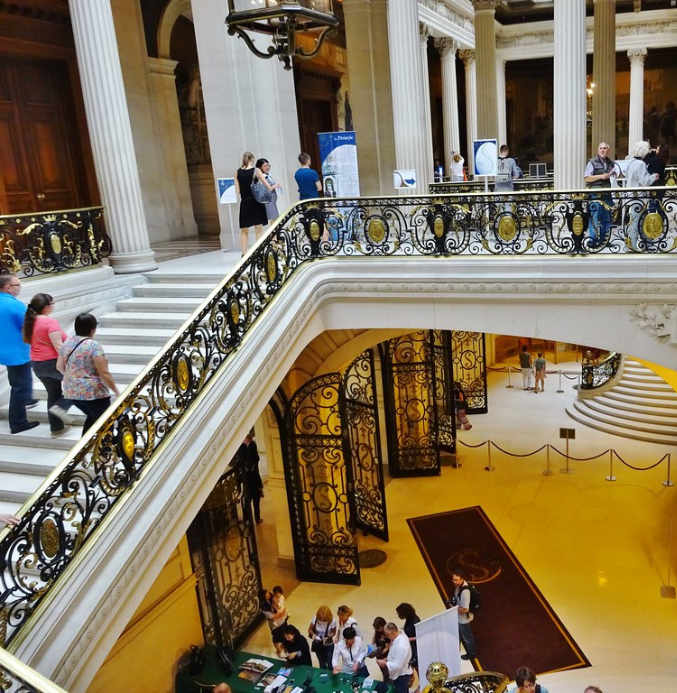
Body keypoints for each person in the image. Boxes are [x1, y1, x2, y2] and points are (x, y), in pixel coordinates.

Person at [56, 313, 119, 435]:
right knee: (105, 424)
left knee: (92, 418)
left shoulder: (68, 342)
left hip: (71, 391)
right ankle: (106, 447)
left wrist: (74, 378)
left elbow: (59, 367)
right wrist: (116, 391)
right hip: (93, 393)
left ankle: (84, 445)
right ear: (93, 328)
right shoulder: (93, 345)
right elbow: (104, 372)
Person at [23, 293, 76, 438]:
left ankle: (57, 428)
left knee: (53, 394)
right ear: (46, 307)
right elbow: (59, 346)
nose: (53, 306)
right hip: (52, 363)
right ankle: (62, 407)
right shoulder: (49, 323)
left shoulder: (30, 321)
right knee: (79, 386)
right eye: (52, 304)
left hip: (37, 365)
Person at [0, 274, 39, 434]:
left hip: (5, 351)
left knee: (17, 381)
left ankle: (27, 398)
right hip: (18, 352)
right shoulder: (15, 305)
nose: (20, 288)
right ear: (8, 288)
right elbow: (30, 326)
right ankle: (18, 423)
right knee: (20, 387)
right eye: (17, 285)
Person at [623, 141, 659, 249]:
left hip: (631, 196)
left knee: (634, 220)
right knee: (637, 221)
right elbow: (644, 181)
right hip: (639, 197)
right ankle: (633, 246)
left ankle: (637, 244)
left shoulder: (631, 162)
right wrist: (653, 177)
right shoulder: (640, 164)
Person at [585, 142, 618, 247]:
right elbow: (587, 178)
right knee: (594, 216)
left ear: (608, 150)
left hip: (607, 193)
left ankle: (605, 240)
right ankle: (593, 240)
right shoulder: (592, 162)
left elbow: (618, 174)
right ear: (598, 150)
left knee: (607, 217)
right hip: (595, 194)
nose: (602, 150)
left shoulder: (611, 163)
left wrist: (614, 174)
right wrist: (600, 176)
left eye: (604, 148)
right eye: (601, 148)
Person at [235, 151, 268, 256]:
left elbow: (237, 191)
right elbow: (266, 184)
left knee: (244, 230)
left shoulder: (238, 172)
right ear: (251, 159)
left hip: (245, 202)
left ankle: (244, 253)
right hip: (256, 202)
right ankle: (258, 252)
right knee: (258, 229)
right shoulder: (256, 170)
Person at [376, 622, 412, 693]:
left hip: (401, 675)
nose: (387, 637)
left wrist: (385, 663)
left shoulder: (401, 646)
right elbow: (394, 653)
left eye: (388, 635)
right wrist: (387, 659)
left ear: (393, 633)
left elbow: (398, 665)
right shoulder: (399, 633)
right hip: (400, 673)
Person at [451, 567, 477, 660]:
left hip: (463, 618)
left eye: (456, 580)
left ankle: (472, 653)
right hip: (459, 616)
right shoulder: (460, 586)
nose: (454, 581)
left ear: (462, 579)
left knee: (467, 636)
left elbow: (465, 609)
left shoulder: (465, 592)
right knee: (458, 631)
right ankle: (456, 645)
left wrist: (454, 610)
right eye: (453, 579)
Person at [239, 433, 263, 523]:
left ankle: (246, 519)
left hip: (248, 491)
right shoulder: (256, 475)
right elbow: (259, 484)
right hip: (255, 491)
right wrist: (261, 492)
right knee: (256, 506)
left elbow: (241, 482)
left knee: (247, 505)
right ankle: (257, 519)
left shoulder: (244, 475)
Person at [259, 588, 287, 656]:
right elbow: (271, 616)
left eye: (269, 594)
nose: (269, 596)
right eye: (267, 596)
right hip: (275, 625)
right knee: (276, 638)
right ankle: (279, 651)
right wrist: (281, 614)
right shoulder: (263, 606)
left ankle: (284, 647)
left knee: (285, 635)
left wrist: (283, 611)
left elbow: (281, 602)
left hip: (283, 620)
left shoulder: (273, 596)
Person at [308, 605, 337, 670]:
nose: (322, 620)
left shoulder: (332, 620)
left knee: (330, 662)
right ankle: (323, 673)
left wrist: (329, 636)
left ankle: (330, 673)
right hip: (318, 643)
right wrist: (313, 635)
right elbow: (310, 629)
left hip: (328, 643)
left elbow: (333, 632)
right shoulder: (315, 618)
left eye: (324, 618)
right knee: (322, 662)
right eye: (321, 618)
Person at [255, 158, 282, 224]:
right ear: (260, 168)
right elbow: (268, 188)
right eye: (265, 166)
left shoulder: (268, 175)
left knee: (274, 220)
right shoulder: (262, 177)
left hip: (272, 201)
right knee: (274, 220)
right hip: (269, 201)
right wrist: (275, 186)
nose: (267, 167)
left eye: (268, 165)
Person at [395, 603, 420, 674]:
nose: (398, 615)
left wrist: (407, 639)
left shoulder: (415, 621)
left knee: (417, 667)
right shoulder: (409, 619)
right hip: (410, 645)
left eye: (399, 613)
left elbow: (419, 636)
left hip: (415, 648)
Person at [369, 617, 390, 682]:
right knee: (383, 671)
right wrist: (372, 648)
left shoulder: (387, 633)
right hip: (378, 654)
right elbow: (374, 638)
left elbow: (387, 648)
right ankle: (385, 679)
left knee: (387, 672)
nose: (377, 630)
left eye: (378, 628)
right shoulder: (377, 631)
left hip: (385, 655)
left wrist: (378, 653)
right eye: (375, 628)